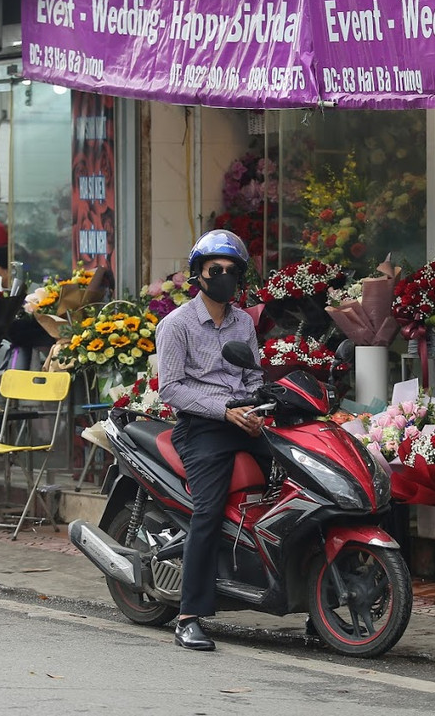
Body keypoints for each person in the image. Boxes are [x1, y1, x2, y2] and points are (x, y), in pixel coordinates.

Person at [156, 229, 266, 652]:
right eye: (213, 270)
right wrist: (223, 410)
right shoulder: (176, 325)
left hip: (246, 421)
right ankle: (189, 616)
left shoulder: (243, 323)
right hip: (202, 426)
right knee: (208, 510)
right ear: (198, 275)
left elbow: (254, 375)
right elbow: (172, 389)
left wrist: (255, 410)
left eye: (230, 271)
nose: (222, 276)